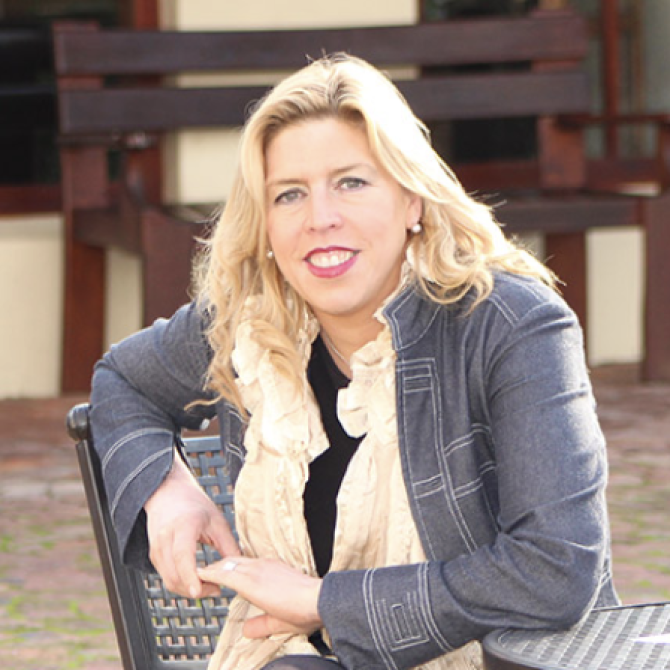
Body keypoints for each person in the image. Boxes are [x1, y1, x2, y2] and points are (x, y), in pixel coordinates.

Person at [89, 53, 619, 670]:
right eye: (290, 194)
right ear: (265, 223)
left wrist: (323, 603)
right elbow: (122, 380)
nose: (321, 219)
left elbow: (555, 571)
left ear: (413, 200)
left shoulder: (511, 324)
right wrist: (167, 489)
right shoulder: (250, 322)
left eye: (352, 183)